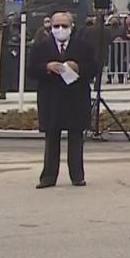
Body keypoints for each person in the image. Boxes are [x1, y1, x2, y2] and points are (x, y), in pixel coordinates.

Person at [28, 12, 97, 188]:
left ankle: (77, 176)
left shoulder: (84, 46)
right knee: (52, 138)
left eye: (64, 26)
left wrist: (78, 67)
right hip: (51, 99)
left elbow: (94, 68)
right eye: (56, 26)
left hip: (76, 98)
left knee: (75, 138)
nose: (60, 29)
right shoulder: (41, 47)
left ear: (71, 27)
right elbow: (31, 71)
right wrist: (47, 67)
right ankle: (48, 177)